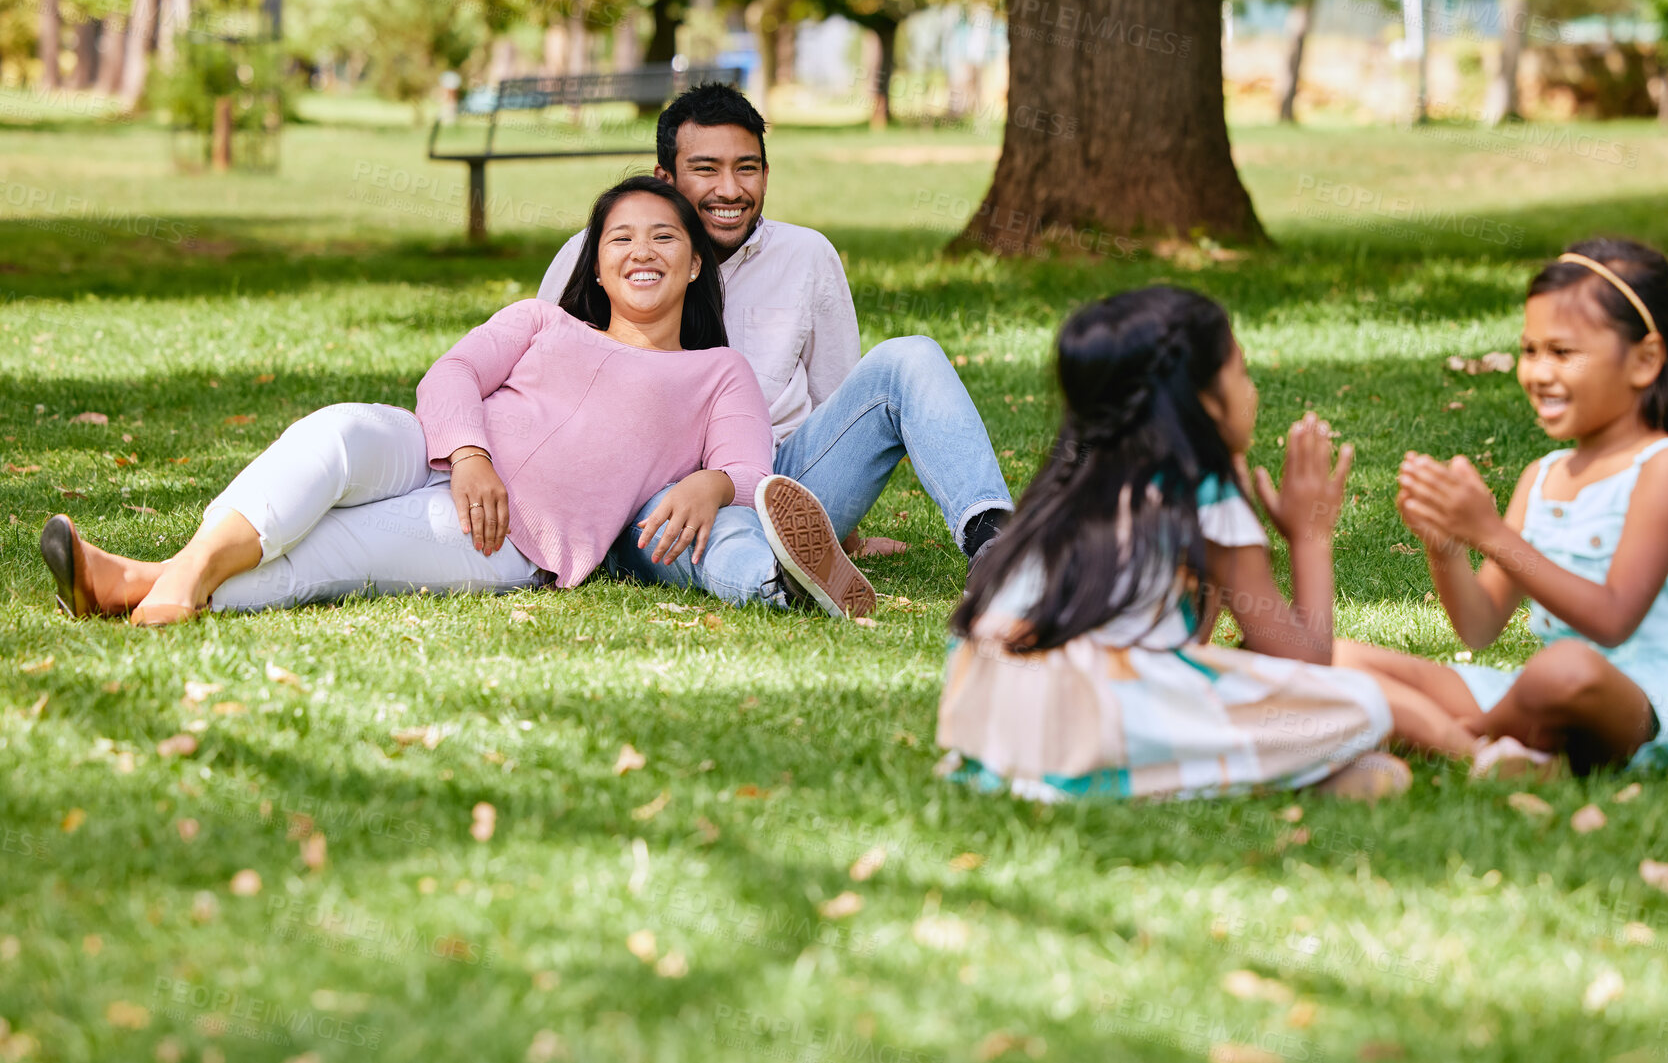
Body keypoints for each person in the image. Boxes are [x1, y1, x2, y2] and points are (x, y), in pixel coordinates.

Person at [39, 176, 772, 625]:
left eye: (662, 238)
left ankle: (137, 582)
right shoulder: (541, 318)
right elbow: (451, 374)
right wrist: (470, 454)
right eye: (620, 240)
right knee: (335, 431)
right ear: (599, 268)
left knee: (330, 553)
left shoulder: (716, 371)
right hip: (435, 451)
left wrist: (709, 483)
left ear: (695, 260)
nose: (641, 252)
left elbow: (748, 469)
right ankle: (180, 574)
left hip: (510, 533)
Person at [936, 286, 1432, 802]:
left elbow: (1184, 649)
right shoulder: (1203, 498)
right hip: (1093, 729)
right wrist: (1311, 537)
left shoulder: (1070, 487)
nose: (1252, 390)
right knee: (1362, 703)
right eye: (1241, 371)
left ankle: (1304, 773)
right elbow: (1305, 664)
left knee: (1243, 685)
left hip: (994, 733)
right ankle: (1461, 757)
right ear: (1200, 401)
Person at [538, 82, 1013, 619]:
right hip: (651, 492)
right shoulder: (601, 252)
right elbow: (542, 384)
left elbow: (838, 403)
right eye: (706, 169)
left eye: (747, 168)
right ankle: (777, 577)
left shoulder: (805, 255)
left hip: (779, 483)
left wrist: (842, 528)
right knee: (701, 533)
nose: (730, 189)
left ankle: (997, 544)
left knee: (911, 357)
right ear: (664, 178)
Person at [1337, 239, 1668, 775]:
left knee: (1564, 668)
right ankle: (1494, 748)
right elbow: (1479, 629)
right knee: (1335, 655)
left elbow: (1612, 620)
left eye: (1563, 353)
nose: (1538, 372)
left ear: (1644, 360)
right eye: (1530, 350)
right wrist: (1446, 546)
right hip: (1531, 691)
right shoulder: (1542, 477)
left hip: (1649, 708)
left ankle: (1446, 738)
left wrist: (1491, 534)